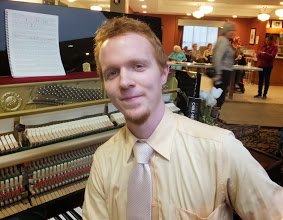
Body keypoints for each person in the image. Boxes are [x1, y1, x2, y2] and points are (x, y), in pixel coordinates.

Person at [82, 17, 283, 220]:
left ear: (163, 74)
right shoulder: (103, 160)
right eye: (112, 72)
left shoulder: (220, 148)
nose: (125, 82)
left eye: (138, 66)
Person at [213, 22, 236, 108]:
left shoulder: (224, 40)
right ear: (226, 30)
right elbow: (218, 57)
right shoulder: (223, 41)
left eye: (234, 30)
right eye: (231, 30)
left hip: (223, 71)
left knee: (219, 96)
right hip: (223, 72)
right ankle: (214, 117)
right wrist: (219, 73)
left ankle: (215, 116)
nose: (233, 32)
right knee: (219, 96)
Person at [254, 35, 278, 99]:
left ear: (271, 40)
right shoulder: (263, 46)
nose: (266, 41)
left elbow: (272, 56)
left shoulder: (274, 47)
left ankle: (264, 94)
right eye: (266, 40)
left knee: (266, 80)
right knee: (260, 80)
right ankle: (259, 93)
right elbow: (258, 54)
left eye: (268, 40)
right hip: (261, 65)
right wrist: (259, 54)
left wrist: (264, 54)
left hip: (268, 66)